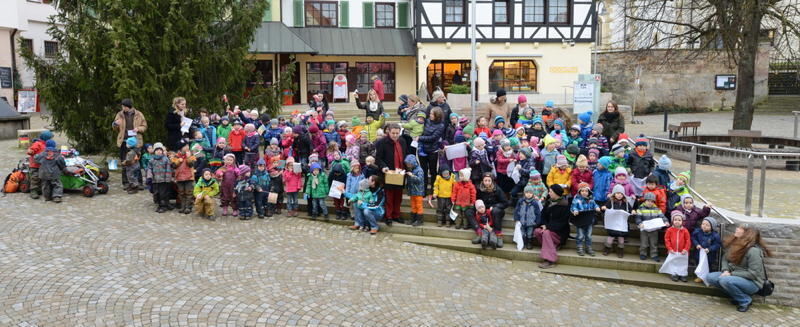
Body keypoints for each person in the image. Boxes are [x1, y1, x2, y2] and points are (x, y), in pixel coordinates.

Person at [706, 225, 771, 312]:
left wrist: (731, 274)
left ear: (747, 234)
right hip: (733, 276)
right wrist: (725, 270)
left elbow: (753, 273)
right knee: (710, 277)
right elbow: (725, 258)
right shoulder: (735, 244)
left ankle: (745, 300)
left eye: (740, 229)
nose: (736, 229)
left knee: (725, 280)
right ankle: (737, 296)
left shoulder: (753, 251)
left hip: (752, 283)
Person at [375, 123, 408, 225]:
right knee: (389, 196)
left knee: (398, 196)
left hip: (400, 173)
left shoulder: (402, 141)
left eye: (397, 133)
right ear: (388, 132)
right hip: (388, 173)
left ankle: (396, 215)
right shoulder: (382, 142)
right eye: (393, 133)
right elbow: (378, 159)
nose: (395, 135)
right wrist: (383, 167)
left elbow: (405, 155)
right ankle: (388, 216)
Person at [535, 184, 571, 269]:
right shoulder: (549, 202)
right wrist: (543, 225)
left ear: (556, 193)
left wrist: (547, 227)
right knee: (537, 231)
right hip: (549, 229)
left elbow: (562, 222)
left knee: (546, 233)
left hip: (560, 233)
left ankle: (549, 260)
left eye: (550, 192)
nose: (549, 193)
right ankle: (553, 246)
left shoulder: (565, 205)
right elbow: (543, 215)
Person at [113, 99, 147, 187]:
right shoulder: (119, 114)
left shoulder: (139, 114)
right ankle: (126, 183)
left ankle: (139, 183)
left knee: (136, 162)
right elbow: (114, 128)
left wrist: (138, 128)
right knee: (124, 162)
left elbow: (144, 126)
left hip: (135, 142)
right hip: (124, 141)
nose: (123, 108)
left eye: (124, 107)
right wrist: (115, 124)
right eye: (122, 107)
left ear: (129, 107)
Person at [418, 107, 445, 195]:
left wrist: (420, 138)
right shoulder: (428, 121)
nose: (430, 115)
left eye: (432, 114)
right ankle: (423, 190)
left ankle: (434, 191)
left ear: (437, 116)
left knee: (433, 171)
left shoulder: (441, 125)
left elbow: (433, 138)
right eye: (430, 113)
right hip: (422, 149)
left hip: (432, 151)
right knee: (423, 171)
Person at [476, 173, 509, 243]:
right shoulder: (479, 189)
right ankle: (481, 234)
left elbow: (505, 203)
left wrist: (494, 206)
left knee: (495, 211)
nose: (487, 182)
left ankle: (498, 234)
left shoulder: (497, 189)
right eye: (485, 180)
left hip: (496, 211)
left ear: (492, 181)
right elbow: (477, 200)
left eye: (489, 180)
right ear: (482, 181)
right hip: (484, 212)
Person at [601, 185, 633, 258]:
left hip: (622, 224)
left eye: (621, 194)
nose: (619, 195)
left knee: (621, 238)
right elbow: (605, 208)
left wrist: (633, 211)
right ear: (614, 194)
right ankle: (607, 248)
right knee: (610, 237)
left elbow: (630, 209)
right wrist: (604, 208)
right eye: (617, 193)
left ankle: (620, 250)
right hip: (613, 224)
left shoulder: (626, 203)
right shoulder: (610, 202)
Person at [570, 182, 601, 256]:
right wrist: (575, 210)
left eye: (586, 191)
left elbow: (595, 205)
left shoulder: (591, 199)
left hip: (589, 220)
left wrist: (597, 207)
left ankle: (588, 247)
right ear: (579, 192)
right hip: (580, 220)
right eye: (582, 191)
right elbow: (573, 207)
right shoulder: (576, 200)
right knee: (580, 235)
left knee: (589, 235)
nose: (584, 192)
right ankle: (579, 247)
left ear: (589, 192)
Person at [635, 192, 668, 262]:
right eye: (648, 201)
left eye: (652, 201)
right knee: (644, 243)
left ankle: (654, 254)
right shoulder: (640, 209)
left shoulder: (657, 209)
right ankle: (643, 253)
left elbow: (662, 216)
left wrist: (666, 221)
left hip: (654, 229)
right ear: (645, 201)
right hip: (644, 229)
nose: (650, 203)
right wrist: (639, 223)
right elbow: (638, 218)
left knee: (654, 243)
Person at [691, 217, 721, 282]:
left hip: (709, 255)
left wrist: (709, 249)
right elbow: (693, 238)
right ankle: (699, 276)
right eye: (703, 224)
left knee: (708, 265)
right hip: (699, 253)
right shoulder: (698, 232)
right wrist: (697, 244)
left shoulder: (715, 235)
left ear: (712, 227)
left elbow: (717, 244)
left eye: (707, 225)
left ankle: (706, 277)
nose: (704, 226)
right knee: (698, 263)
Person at [664, 211, 692, 282]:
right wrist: (669, 248)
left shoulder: (685, 230)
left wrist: (686, 249)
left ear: (682, 221)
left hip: (683, 251)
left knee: (682, 263)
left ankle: (683, 274)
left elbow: (688, 240)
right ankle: (674, 274)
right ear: (672, 221)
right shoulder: (669, 230)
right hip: (673, 250)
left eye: (679, 220)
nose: (677, 221)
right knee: (673, 262)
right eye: (675, 220)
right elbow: (667, 240)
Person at [148, 143, 174, 213]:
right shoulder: (152, 160)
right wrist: (149, 177)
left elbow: (168, 170)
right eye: (157, 150)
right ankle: (160, 205)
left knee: (163, 194)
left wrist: (168, 179)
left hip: (164, 180)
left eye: (160, 150)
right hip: (155, 180)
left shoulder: (165, 159)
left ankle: (164, 206)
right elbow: (149, 169)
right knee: (157, 193)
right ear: (154, 151)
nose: (159, 151)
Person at [514, 186, 542, 250]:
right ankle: (523, 242)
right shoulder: (521, 201)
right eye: (527, 192)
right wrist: (517, 219)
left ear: (533, 193)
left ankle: (529, 242)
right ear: (524, 193)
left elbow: (538, 213)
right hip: (522, 221)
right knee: (522, 233)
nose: (528, 194)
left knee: (530, 233)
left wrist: (537, 222)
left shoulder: (535, 203)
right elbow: (517, 210)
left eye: (530, 193)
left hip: (531, 222)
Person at [171, 144, 196, 214]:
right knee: (181, 192)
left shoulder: (191, 155)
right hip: (180, 177)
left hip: (189, 177)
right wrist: (178, 161)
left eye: (188, 146)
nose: (187, 147)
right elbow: (173, 166)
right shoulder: (176, 156)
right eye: (185, 146)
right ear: (181, 147)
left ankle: (188, 207)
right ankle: (183, 206)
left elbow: (192, 164)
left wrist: (188, 157)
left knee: (189, 192)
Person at [404, 155, 426, 226]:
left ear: (413, 162)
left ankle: (419, 220)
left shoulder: (419, 170)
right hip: (412, 191)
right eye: (407, 164)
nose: (407, 165)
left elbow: (419, 180)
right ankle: (413, 219)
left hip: (418, 191)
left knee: (419, 205)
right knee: (413, 205)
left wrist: (412, 176)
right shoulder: (411, 169)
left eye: (408, 164)